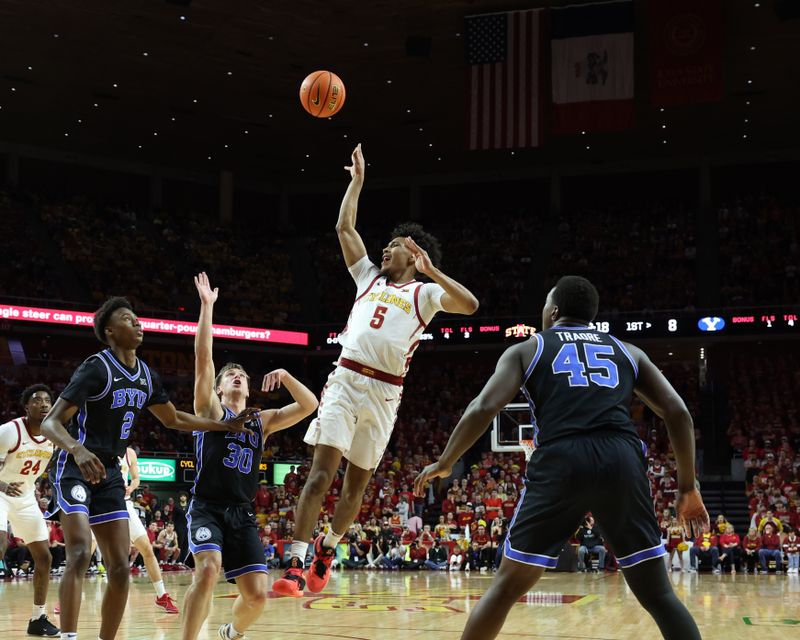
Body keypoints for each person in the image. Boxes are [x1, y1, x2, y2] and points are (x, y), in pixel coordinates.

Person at [414, 276, 708, 640]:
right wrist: (687, 486)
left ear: (553, 311)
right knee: (659, 595)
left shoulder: (529, 348)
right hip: (620, 459)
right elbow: (678, 413)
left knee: (505, 589)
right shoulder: (628, 351)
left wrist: (446, 461)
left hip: (561, 459)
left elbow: (485, 406)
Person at [272, 143, 478, 597]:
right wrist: (357, 181)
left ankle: (329, 546)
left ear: (414, 255)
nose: (384, 250)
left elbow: (470, 305)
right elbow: (344, 226)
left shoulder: (425, 293)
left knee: (354, 489)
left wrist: (434, 272)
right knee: (319, 475)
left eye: (393, 247)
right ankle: (294, 564)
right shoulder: (367, 277)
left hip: (385, 394)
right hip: (345, 380)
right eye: (384, 245)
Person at [41, 296, 255, 640]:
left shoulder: (147, 376)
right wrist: (78, 450)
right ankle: (68, 636)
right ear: (110, 331)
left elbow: (173, 418)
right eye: (128, 319)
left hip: (110, 473)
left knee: (122, 569)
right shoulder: (96, 367)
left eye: (138, 318)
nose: (138, 323)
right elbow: (50, 424)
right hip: (75, 467)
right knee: (80, 553)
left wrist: (224, 426)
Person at [182, 273, 319, 640]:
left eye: (241, 373)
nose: (237, 376)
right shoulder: (209, 410)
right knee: (208, 570)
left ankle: (231, 631)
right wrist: (207, 307)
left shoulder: (262, 420)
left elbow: (310, 405)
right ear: (219, 387)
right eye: (230, 374)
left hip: (241, 513)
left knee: (258, 597)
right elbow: (203, 357)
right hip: (207, 506)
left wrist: (287, 374)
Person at [0, 384, 60, 636]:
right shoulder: (9, 431)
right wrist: (2, 484)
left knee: (44, 557)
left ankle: (38, 619)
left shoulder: (54, 437)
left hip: (24, 497)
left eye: (47, 400)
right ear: (26, 406)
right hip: (1, 491)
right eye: (37, 400)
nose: (44, 404)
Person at [119, 446, 179, 613]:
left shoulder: (129, 453)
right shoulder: (98, 445)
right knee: (86, 551)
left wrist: (131, 487)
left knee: (147, 548)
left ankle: (162, 596)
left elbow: (136, 478)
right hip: (102, 503)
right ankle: (67, 598)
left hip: (124, 503)